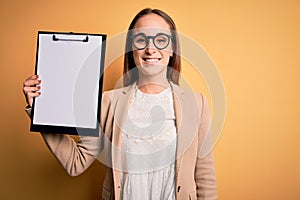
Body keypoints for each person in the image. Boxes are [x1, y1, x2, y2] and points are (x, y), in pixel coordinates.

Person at [23, 8, 217, 200]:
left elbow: (205, 179)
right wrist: (41, 110)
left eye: (160, 39)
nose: (151, 49)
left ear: (172, 48)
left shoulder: (196, 103)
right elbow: (75, 163)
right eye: (141, 40)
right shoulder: (109, 102)